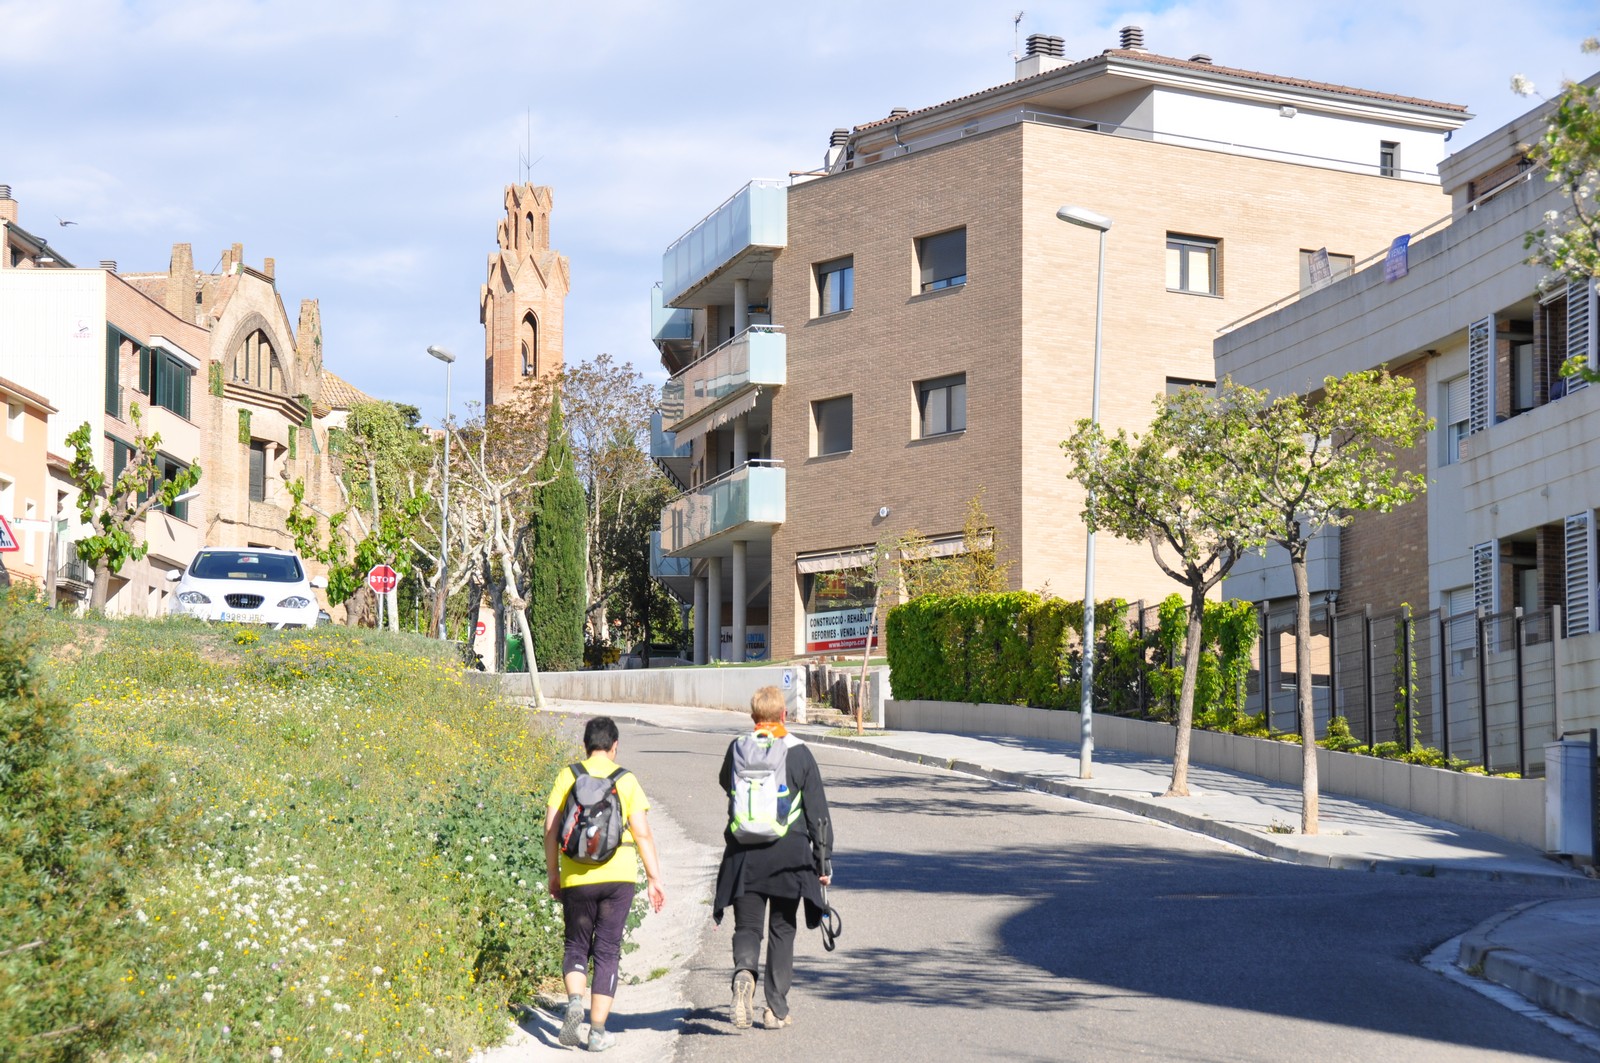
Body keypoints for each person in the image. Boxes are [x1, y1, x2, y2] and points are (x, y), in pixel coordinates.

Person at [714, 686, 834, 1031]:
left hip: (745, 854)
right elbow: (818, 814)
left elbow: (726, 783)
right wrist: (823, 862)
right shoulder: (799, 753)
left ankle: (744, 973)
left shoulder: (738, 748)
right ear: (784, 715)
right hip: (789, 856)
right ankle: (775, 1010)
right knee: (782, 928)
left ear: (753, 717)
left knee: (747, 927)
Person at [544, 716, 666, 1053]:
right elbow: (642, 833)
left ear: (585, 746)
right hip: (618, 875)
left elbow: (551, 829)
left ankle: (574, 1002)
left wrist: (554, 873)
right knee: (608, 950)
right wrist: (654, 878)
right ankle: (597, 1032)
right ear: (615, 747)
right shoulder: (626, 779)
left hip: (576, 874)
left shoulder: (568, 775)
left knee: (576, 944)